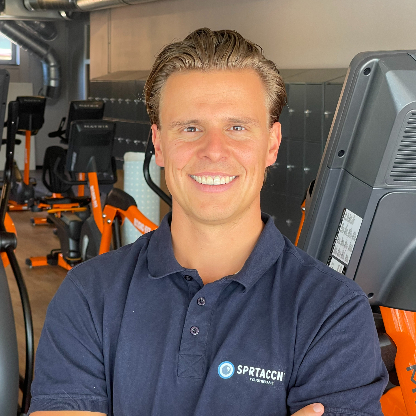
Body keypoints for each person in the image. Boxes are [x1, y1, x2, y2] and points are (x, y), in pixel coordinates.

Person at [29, 28, 387, 416]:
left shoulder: (332, 310)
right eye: (190, 128)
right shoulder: (89, 295)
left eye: (237, 127)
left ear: (271, 144)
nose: (214, 150)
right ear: (159, 144)